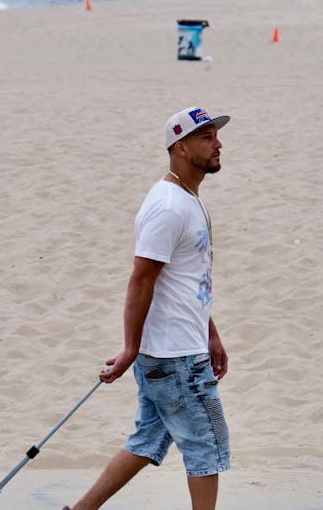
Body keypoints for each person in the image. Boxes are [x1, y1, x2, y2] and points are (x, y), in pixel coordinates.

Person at [68, 107, 232, 510]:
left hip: (177, 348)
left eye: (216, 135)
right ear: (180, 147)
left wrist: (210, 334)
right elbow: (141, 280)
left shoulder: (187, 199)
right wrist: (129, 349)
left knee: (148, 440)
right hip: (175, 357)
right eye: (207, 137)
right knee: (206, 447)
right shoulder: (169, 207)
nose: (219, 144)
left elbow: (185, 280)